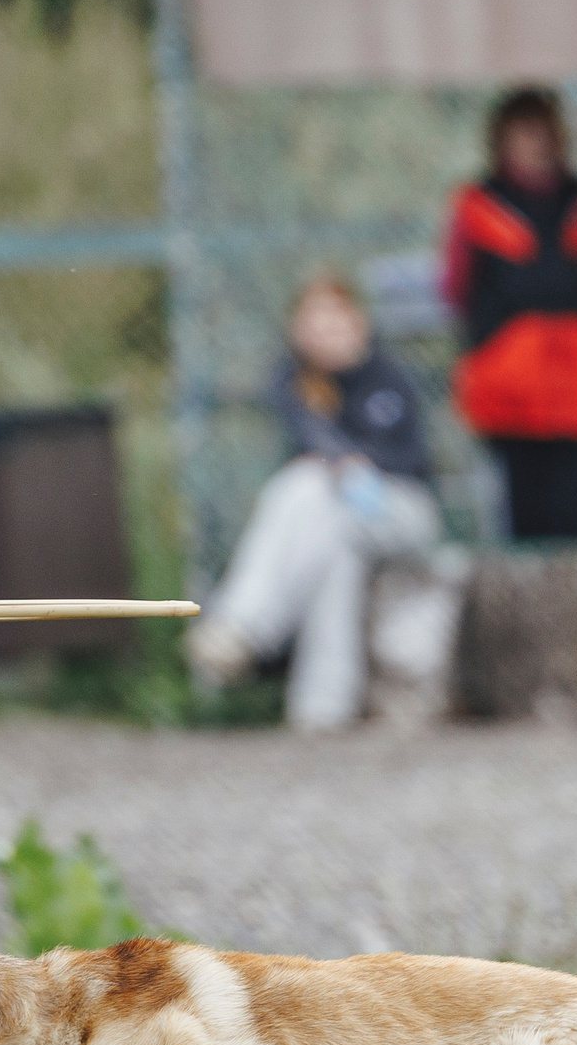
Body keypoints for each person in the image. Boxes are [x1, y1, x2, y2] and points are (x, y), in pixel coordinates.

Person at [186, 278, 441, 730]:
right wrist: (343, 466)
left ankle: (243, 626)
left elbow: (413, 460)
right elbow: (313, 439)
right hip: (335, 515)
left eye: (335, 319)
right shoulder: (292, 382)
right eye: (315, 322)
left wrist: (360, 464)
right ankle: (322, 710)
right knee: (332, 548)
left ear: (358, 322)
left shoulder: (389, 376)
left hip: (402, 510)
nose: (326, 332)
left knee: (305, 484)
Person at [442, 86, 577, 540]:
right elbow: (457, 288)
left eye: (545, 132)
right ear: (501, 139)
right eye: (524, 133)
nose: (537, 144)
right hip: (510, 383)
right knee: (521, 514)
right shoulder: (477, 206)